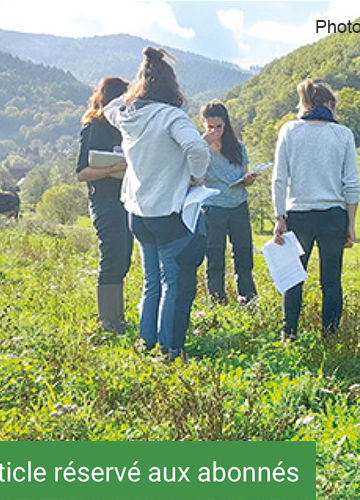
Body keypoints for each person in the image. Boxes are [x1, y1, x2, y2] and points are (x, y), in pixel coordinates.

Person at [105, 46, 210, 360]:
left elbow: (110, 104)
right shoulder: (171, 117)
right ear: (172, 85)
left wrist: (136, 87)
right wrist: (196, 178)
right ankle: (171, 349)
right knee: (174, 283)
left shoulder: (125, 114)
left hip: (137, 212)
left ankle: (146, 342)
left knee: (151, 281)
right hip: (168, 212)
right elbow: (198, 149)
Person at [272, 79, 360, 342]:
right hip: (334, 215)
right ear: (330, 104)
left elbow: (279, 179)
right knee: (331, 281)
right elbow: (352, 184)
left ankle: (289, 334)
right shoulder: (342, 134)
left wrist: (280, 217)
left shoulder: (289, 130)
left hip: (299, 215)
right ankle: (330, 335)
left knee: (294, 278)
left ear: (304, 104)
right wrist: (351, 223)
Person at [76, 77, 133, 334]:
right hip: (104, 200)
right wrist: (114, 168)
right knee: (112, 255)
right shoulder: (93, 128)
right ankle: (109, 322)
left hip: (127, 200)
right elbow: (81, 172)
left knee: (123, 257)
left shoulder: (128, 128)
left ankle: (117, 317)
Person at [201, 101, 257, 304]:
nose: (214, 131)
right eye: (210, 126)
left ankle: (248, 298)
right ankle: (217, 300)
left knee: (243, 253)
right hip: (213, 207)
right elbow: (193, 175)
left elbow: (243, 174)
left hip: (238, 205)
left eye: (219, 126)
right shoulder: (200, 148)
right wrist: (203, 145)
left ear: (226, 125)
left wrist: (248, 179)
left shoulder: (238, 147)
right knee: (214, 255)